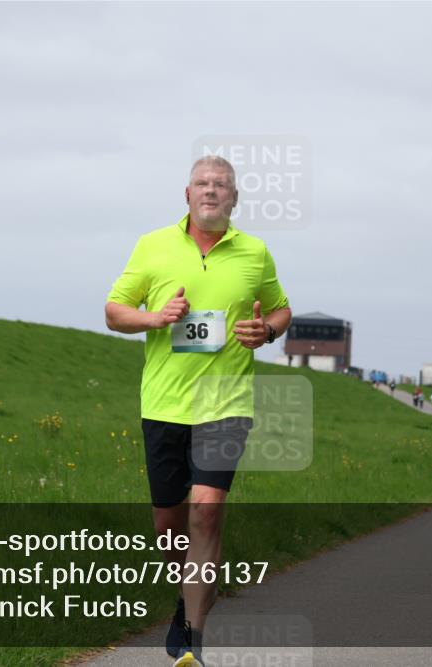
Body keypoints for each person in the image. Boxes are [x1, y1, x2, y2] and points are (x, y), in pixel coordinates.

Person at [105, 155, 291, 667]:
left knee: (206, 510)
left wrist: (267, 331)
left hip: (225, 403)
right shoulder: (153, 246)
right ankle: (183, 596)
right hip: (164, 402)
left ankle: (193, 636)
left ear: (235, 198)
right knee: (169, 526)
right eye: (202, 184)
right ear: (186, 194)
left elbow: (281, 309)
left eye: (221, 185)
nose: (211, 191)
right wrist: (156, 317)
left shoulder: (255, 252)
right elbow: (114, 312)